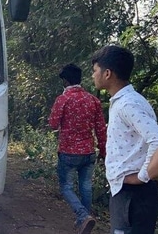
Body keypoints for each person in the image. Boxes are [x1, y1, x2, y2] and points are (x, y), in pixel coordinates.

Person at [91, 45, 158, 233]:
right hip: (128, 191)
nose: (93, 75)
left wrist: (143, 175)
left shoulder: (128, 104)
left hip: (134, 194)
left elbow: (157, 139)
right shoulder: (125, 101)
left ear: (107, 73)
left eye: (95, 70)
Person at [48, 63, 107, 234]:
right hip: (89, 152)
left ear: (65, 81)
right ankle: (85, 220)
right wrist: (103, 151)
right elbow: (101, 129)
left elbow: (52, 124)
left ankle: (82, 216)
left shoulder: (63, 99)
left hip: (68, 152)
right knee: (86, 186)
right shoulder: (93, 100)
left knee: (66, 187)